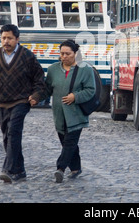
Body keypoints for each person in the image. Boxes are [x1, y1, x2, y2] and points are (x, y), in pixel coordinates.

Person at [0, 24, 45, 183]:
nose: (6, 41)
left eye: (10, 38)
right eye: (3, 38)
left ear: (17, 39)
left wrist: (36, 95)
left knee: (13, 133)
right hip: (2, 102)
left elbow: (39, 78)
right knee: (7, 137)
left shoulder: (27, 56)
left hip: (21, 101)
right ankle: (20, 170)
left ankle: (9, 170)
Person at [44, 39, 95, 183]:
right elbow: (47, 89)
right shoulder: (53, 69)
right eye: (62, 53)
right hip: (59, 114)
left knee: (70, 142)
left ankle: (60, 168)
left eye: (68, 54)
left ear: (75, 54)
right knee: (67, 142)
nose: (64, 56)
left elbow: (91, 90)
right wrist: (35, 97)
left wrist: (75, 96)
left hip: (76, 114)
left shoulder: (85, 69)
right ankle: (76, 168)